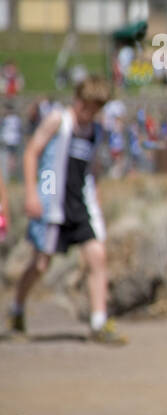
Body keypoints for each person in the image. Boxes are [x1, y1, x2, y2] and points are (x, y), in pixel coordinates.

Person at [9, 76, 126, 345]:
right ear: (79, 101)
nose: (91, 113)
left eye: (97, 109)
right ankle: (16, 308)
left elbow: (91, 168)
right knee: (40, 264)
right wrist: (31, 193)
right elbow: (31, 152)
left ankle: (99, 322)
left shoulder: (95, 131)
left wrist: (95, 197)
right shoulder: (58, 121)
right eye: (89, 107)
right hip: (51, 202)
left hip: (79, 205)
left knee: (98, 256)